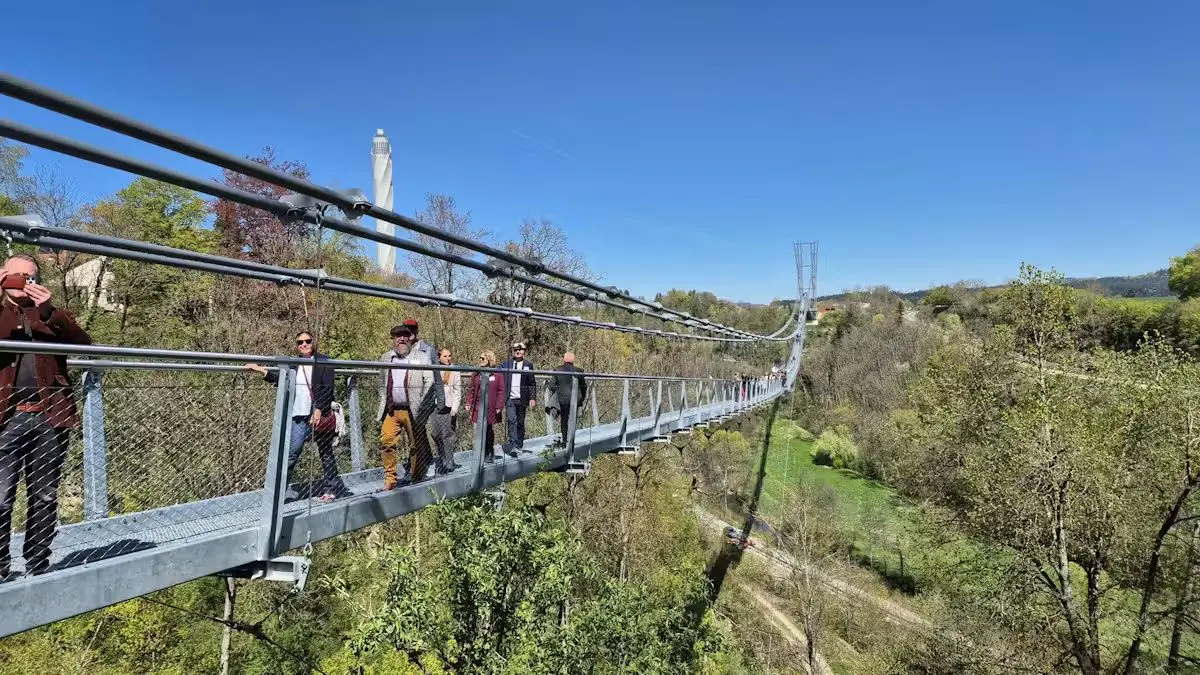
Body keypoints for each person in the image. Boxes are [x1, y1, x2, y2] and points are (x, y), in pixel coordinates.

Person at [0, 254, 91, 578]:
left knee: (45, 496)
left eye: (30, 277)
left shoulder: (51, 315)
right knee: (0, 497)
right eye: (17, 276)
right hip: (6, 418)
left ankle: (38, 564)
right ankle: (0, 568)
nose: (23, 283)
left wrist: (49, 312)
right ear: (3, 276)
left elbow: (84, 344)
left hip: (49, 417)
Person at [245, 331, 340, 503]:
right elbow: (281, 381)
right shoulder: (294, 364)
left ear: (313, 342)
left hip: (320, 413)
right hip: (299, 415)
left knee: (326, 453)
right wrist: (262, 371)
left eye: (307, 341)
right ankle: (278, 493)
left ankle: (331, 489)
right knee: (291, 454)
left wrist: (319, 408)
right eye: (300, 342)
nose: (304, 344)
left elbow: (328, 387)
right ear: (297, 345)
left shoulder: (324, 361)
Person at [377, 325, 436, 488]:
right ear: (393, 339)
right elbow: (382, 381)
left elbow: (429, 381)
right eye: (397, 336)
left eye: (404, 335)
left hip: (413, 410)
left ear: (410, 338)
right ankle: (390, 478)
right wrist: (384, 400)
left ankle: (416, 476)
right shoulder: (386, 358)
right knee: (387, 441)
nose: (401, 339)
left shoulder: (422, 357)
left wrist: (422, 405)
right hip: (391, 409)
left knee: (416, 444)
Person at [466, 350, 504, 463]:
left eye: (483, 358)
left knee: (488, 430)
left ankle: (489, 452)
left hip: (491, 407)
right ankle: (480, 453)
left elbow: (501, 391)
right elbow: (471, 389)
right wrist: (468, 402)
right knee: (479, 430)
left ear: (489, 359)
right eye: (480, 358)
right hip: (478, 406)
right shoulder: (476, 373)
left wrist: (499, 405)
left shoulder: (497, 374)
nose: (480, 360)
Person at [430, 347, 463, 475]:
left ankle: (449, 462)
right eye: (445, 356)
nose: (448, 358)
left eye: (449, 355)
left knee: (448, 435)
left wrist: (455, 408)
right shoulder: (434, 369)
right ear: (439, 357)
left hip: (448, 407)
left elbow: (457, 391)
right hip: (435, 407)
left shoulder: (453, 370)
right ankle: (443, 459)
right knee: (436, 434)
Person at [499, 341, 536, 456]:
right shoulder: (506, 364)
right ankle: (513, 445)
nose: (518, 352)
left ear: (524, 352)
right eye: (516, 350)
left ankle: (519, 444)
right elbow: (496, 372)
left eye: (520, 350)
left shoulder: (528, 365)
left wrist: (532, 397)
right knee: (511, 420)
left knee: (520, 422)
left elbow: (532, 382)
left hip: (522, 398)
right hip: (510, 397)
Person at [548, 351, 587, 448]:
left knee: (564, 419)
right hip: (576, 399)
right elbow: (584, 386)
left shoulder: (557, 370)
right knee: (573, 419)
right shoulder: (579, 371)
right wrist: (582, 397)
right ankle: (571, 440)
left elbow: (551, 385)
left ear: (564, 359)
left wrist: (557, 393)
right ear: (573, 360)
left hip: (563, 399)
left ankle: (565, 440)